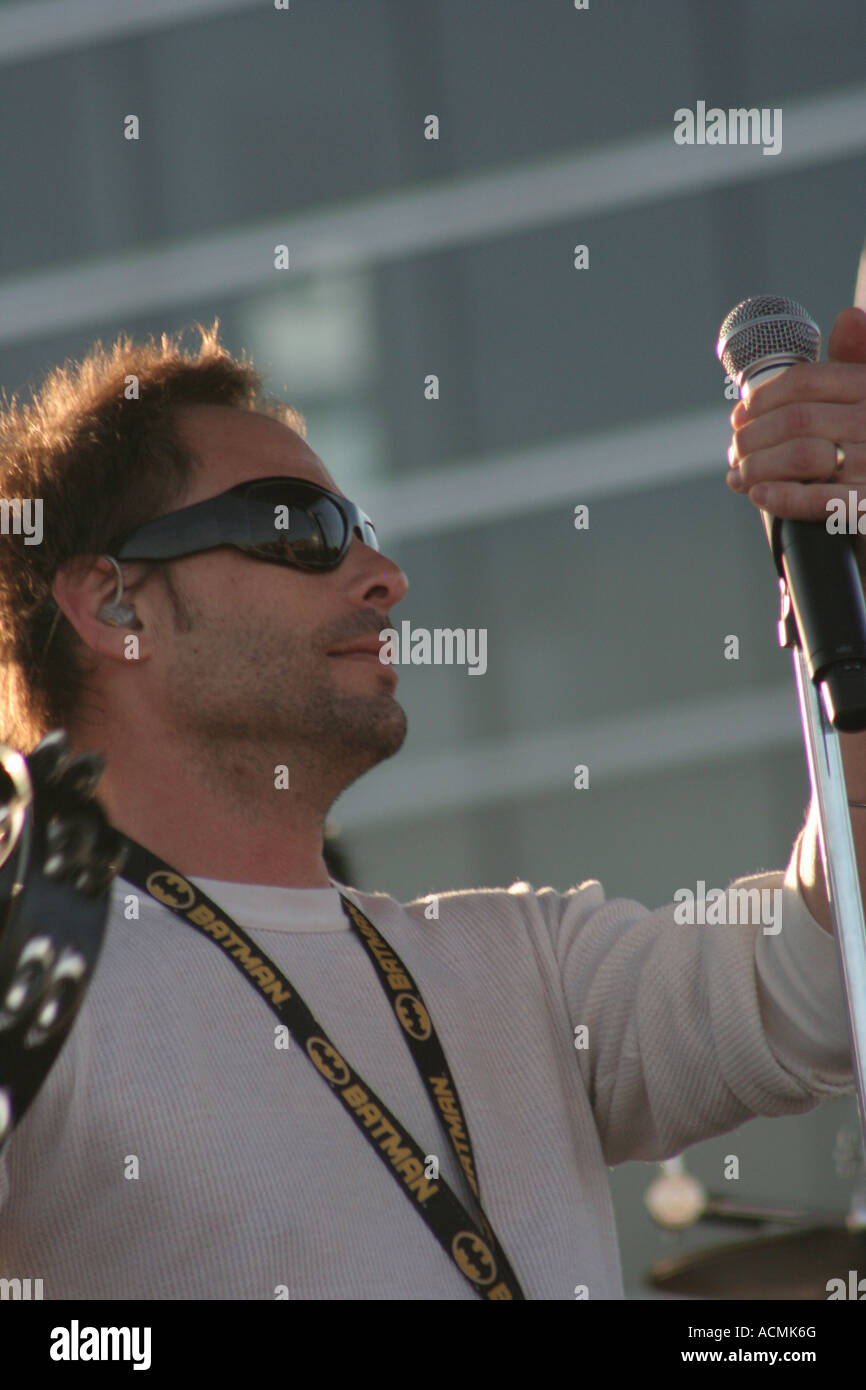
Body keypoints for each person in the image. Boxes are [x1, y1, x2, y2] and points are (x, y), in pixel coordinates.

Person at [0, 312, 861, 1301]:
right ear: (114, 606)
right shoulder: (38, 983)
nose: (384, 578)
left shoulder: (524, 968)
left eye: (362, 533)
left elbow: (833, 963)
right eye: (300, 528)